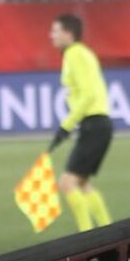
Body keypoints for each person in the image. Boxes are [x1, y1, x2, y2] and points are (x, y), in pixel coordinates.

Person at [48, 13, 114, 230]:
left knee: (67, 183)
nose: (51, 36)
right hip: (100, 124)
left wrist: (66, 125)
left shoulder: (74, 54)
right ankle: (107, 230)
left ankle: (86, 237)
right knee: (82, 183)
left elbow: (87, 95)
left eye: (55, 31)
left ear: (68, 33)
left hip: (93, 124)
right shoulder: (84, 53)